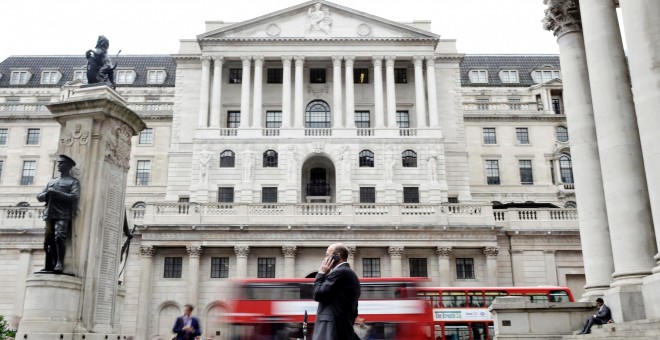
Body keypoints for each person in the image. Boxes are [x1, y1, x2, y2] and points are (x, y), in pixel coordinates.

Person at [37, 154, 80, 273]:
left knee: (59, 237)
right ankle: (50, 264)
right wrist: (47, 194)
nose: (59, 165)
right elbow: (39, 196)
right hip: (49, 213)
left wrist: (56, 193)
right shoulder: (52, 181)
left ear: (68, 166)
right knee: (48, 241)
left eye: (62, 163)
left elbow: (74, 196)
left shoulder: (73, 182)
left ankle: (60, 263)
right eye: (59, 163)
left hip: (63, 214)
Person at [313, 243, 361, 340]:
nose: (325, 259)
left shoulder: (340, 272)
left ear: (337, 256)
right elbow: (354, 311)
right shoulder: (351, 274)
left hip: (332, 329)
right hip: (341, 328)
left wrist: (321, 273)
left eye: (327, 255)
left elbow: (318, 294)